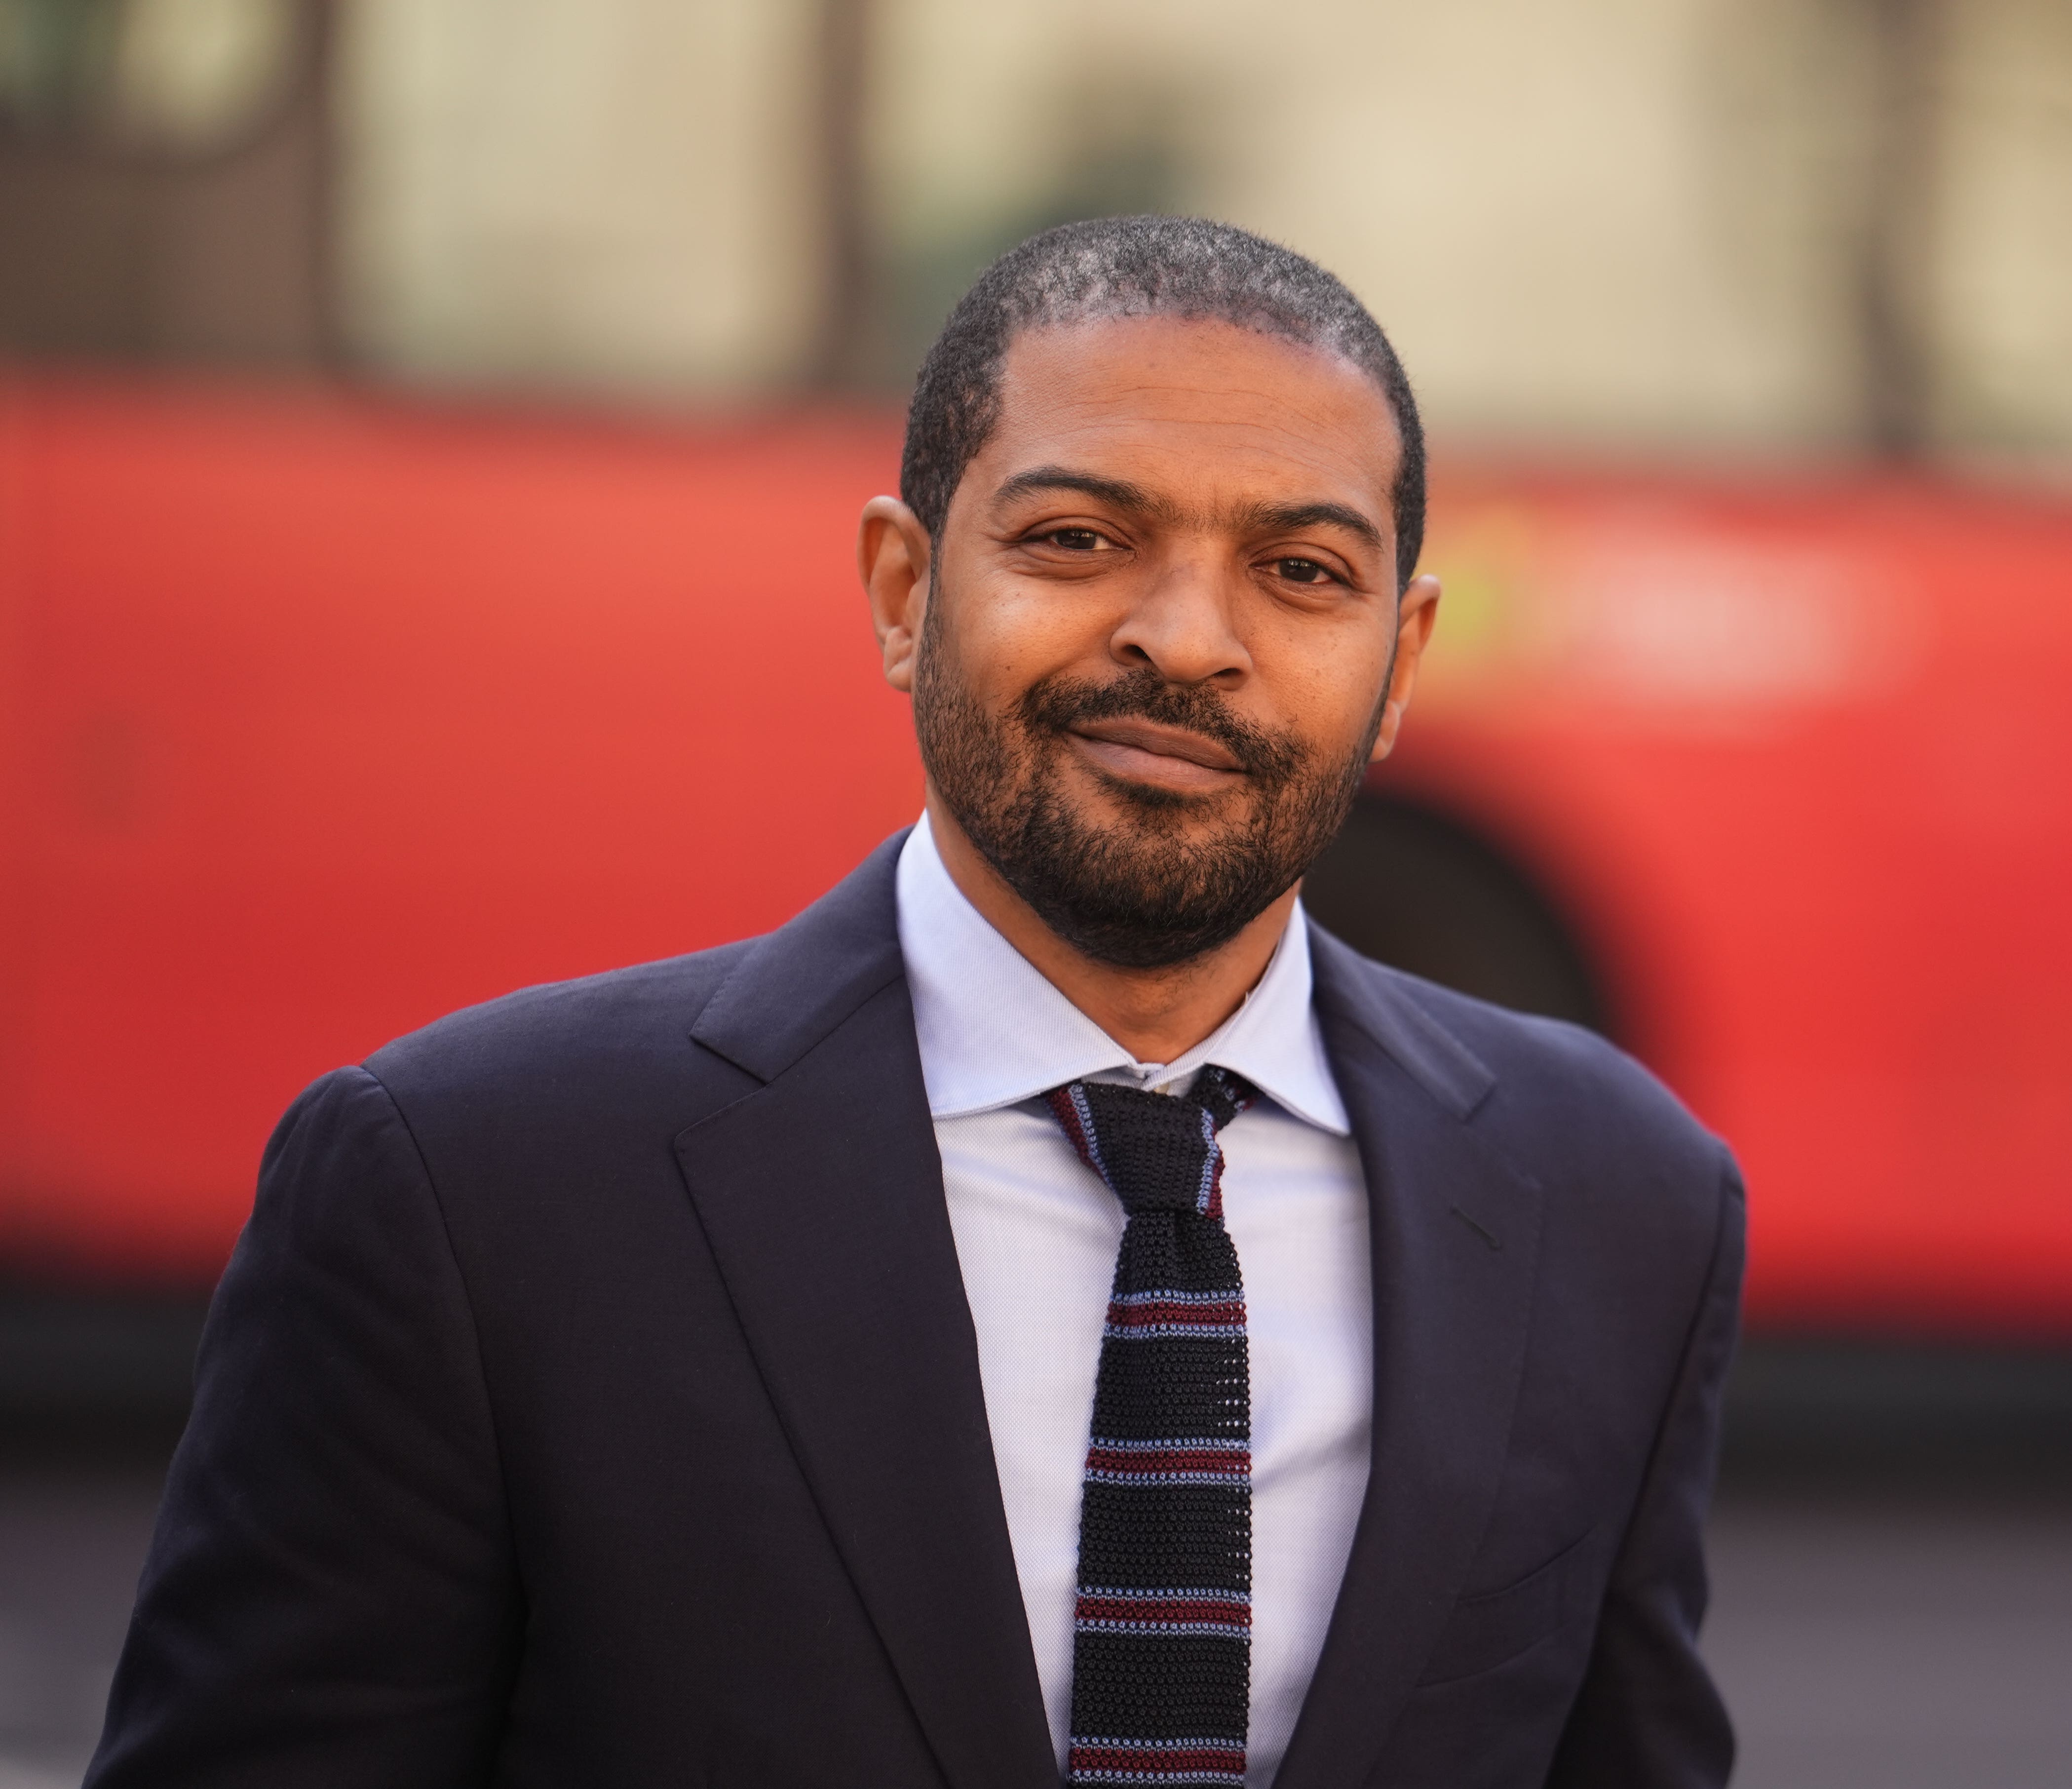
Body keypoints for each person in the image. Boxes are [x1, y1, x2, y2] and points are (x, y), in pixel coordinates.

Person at [88, 217, 1743, 1789]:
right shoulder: (462, 1190)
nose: (1187, 639)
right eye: (1077, 540)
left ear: (1400, 661)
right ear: (901, 589)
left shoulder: (1619, 1203)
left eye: (1303, 571)